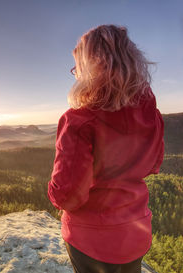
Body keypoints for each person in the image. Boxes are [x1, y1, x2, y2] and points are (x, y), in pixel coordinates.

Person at [47, 24, 164, 273]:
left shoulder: (78, 121)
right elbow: (154, 164)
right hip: (136, 232)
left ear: (91, 68)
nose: (75, 73)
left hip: (91, 242)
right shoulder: (151, 114)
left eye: (77, 67)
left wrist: (53, 191)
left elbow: (67, 196)